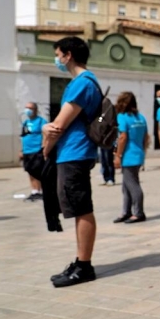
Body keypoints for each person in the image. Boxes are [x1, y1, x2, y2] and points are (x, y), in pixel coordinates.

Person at [43, 36, 102, 288]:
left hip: (75, 153)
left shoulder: (82, 83)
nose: (57, 59)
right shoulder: (85, 82)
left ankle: (85, 266)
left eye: (58, 54)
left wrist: (45, 143)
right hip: (76, 153)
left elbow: (58, 126)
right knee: (79, 208)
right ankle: (80, 262)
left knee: (81, 208)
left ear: (68, 55)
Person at [112, 92, 148, 224]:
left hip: (128, 155)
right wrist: (142, 151)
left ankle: (139, 213)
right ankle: (126, 212)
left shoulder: (122, 117)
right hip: (138, 153)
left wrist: (117, 155)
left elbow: (122, 137)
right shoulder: (141, 118)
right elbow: (146, 137)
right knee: (126, 186)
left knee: (133, 185)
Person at [20, 102, 46, 201]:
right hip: (27, 151)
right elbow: (23, 136)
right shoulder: (25, 123)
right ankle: (34, 191)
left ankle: (42, 191)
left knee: (38, 171)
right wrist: (21, 150)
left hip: (37, 150)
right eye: (26, 108)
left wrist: (44, 148)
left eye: (30, 108)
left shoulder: (41, 121)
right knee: (30, 171)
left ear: (35, 110)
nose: (27, 110)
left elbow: (46, 135)